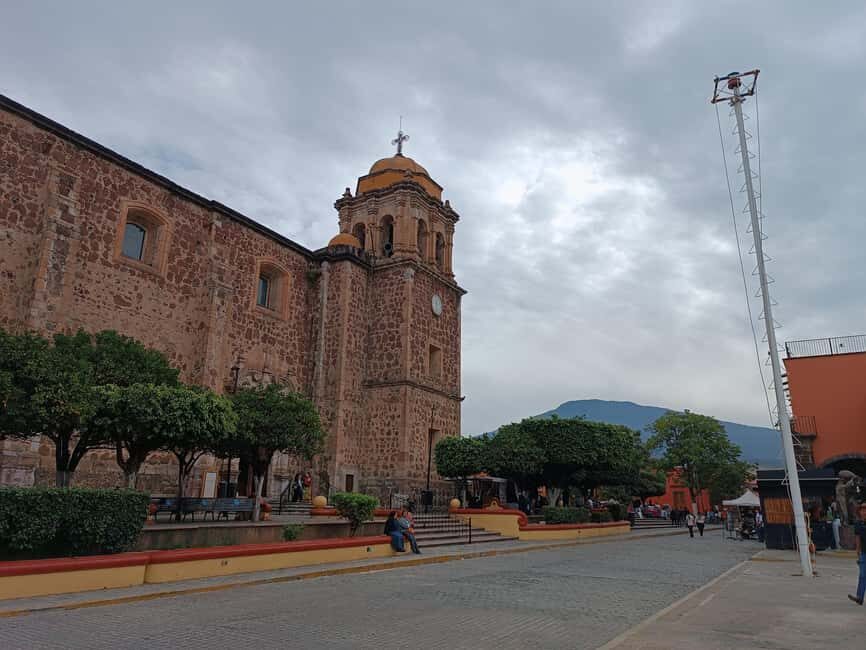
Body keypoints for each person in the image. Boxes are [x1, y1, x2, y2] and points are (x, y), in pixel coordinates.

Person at [848, 502, 866, 605]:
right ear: (859, 512)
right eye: (863, 510)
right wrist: (858, 551)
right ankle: (859, 597)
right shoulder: (858, 524)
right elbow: (857, 538)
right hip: (864, 553)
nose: (864, 512)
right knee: (863, 575)